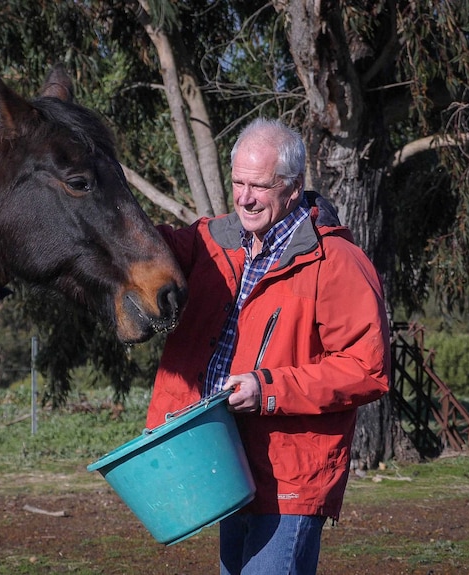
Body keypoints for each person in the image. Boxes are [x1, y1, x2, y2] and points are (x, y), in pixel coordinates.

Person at [147, 118, 391, 575]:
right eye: (237, 181)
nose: (243, 197)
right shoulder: (211, 241)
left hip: (291, 478)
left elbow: (367, 368)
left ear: (293, 188)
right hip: (226, 465)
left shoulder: (335, 262)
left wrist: (269, 389)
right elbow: (139, 248)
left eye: (258, 186)